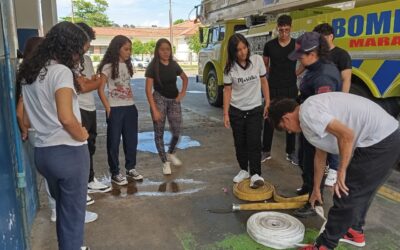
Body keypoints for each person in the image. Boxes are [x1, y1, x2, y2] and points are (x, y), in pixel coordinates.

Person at [268, 93, 400, 250]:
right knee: (361, 190)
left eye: (284, 128)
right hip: (385, 135)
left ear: (286, 118)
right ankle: (354, 231)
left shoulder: (308, 113)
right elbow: (320, 156)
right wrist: (316, 189)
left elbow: (347, 135)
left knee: (345, 192)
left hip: (380, 140)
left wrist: (341, 172)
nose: (289, 132)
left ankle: (324, 245)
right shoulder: (309, 119)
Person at [17, 21, 90, 250]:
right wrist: (81, 134)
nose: (79, 56)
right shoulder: (60, 72)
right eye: (78, 50)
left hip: (44, 153)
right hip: (69, 153)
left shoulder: (30, 73)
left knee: (64, 212)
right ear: (68, 47)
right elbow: (66, 117)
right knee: (73, 217)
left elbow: (26, 117)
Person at [288, 32, 342, 217]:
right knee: (303, 156)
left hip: (317, 126)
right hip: (307, 122)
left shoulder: (324, 75)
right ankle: (307, 186)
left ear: (312, 54)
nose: (299, 60)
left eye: (301, 56)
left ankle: (314, 200)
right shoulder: (314, 68)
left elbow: (322, 111)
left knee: (313, 161)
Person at [223, 33, 270, 188]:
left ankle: (256, 173)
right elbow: (227, 91)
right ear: (233, 52)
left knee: (254, 142)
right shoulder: (229, 69)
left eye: (244, 47)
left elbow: (264, 81)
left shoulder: (257, 60)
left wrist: (267, 102)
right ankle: (244, 170)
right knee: (240, 143)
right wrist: (225, 113)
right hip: (237, 111)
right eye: (238, 50)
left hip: (255, 109)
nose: (243, 52)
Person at [97, 35, 142, 185]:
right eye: (126, 49)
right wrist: (107, 107)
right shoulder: (108, 66)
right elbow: (100, 88)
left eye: (130, 49)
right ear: (117, 49)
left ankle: (131, 168)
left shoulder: (128, 65)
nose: (129, 52)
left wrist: (131, 103)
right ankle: (115, 172)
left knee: (131, 140)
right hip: (115, 109)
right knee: (114, 142)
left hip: (130, 108)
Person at [313, 23, 352, 187]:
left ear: (330, 36)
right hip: (320, 101)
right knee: (323, 136)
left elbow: (346, 79)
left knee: (336, 135)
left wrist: (341, 101)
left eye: (320, 38)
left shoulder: (341, 55)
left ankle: (335, 169)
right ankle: (327, 167)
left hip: (335, 101)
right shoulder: (320, 55)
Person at [75, 22, 111, 194]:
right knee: (80, 147)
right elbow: (83, 86)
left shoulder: (87, 60)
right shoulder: (71, 61)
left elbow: (90, 83)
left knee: (90, 145)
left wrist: (93, 82)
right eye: (87, 40)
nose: (89, 45)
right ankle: (82, 183)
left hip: (90, 107)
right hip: (78, 108)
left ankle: (89, 180)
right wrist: (95, 82)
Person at [145, 38, 188, 175]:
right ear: (158, 51)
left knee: (176, 130)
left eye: (168, 49)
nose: (165, 52)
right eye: (162, 49)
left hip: (174, 99)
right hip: (159, 99)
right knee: (159, 133)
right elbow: (148, 89)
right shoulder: (153, 66)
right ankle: (165, 162)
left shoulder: (174, 65)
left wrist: (182, 93)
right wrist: (154, 109)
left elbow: (185, 78)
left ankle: (171, 153)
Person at [261, 14, 298, 164]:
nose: (283, 33)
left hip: (290, 88)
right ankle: (265, 151)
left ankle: (291, 152)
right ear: (277, 28)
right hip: (273, 87)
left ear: (291, 28)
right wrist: (270, 78)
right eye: (281, 30)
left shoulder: (297, 45)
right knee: (269, 118)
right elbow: (265, 65)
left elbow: (304, 62)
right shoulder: (269, 45)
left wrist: (295, 74)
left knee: (292, 119)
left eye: (286, 30)